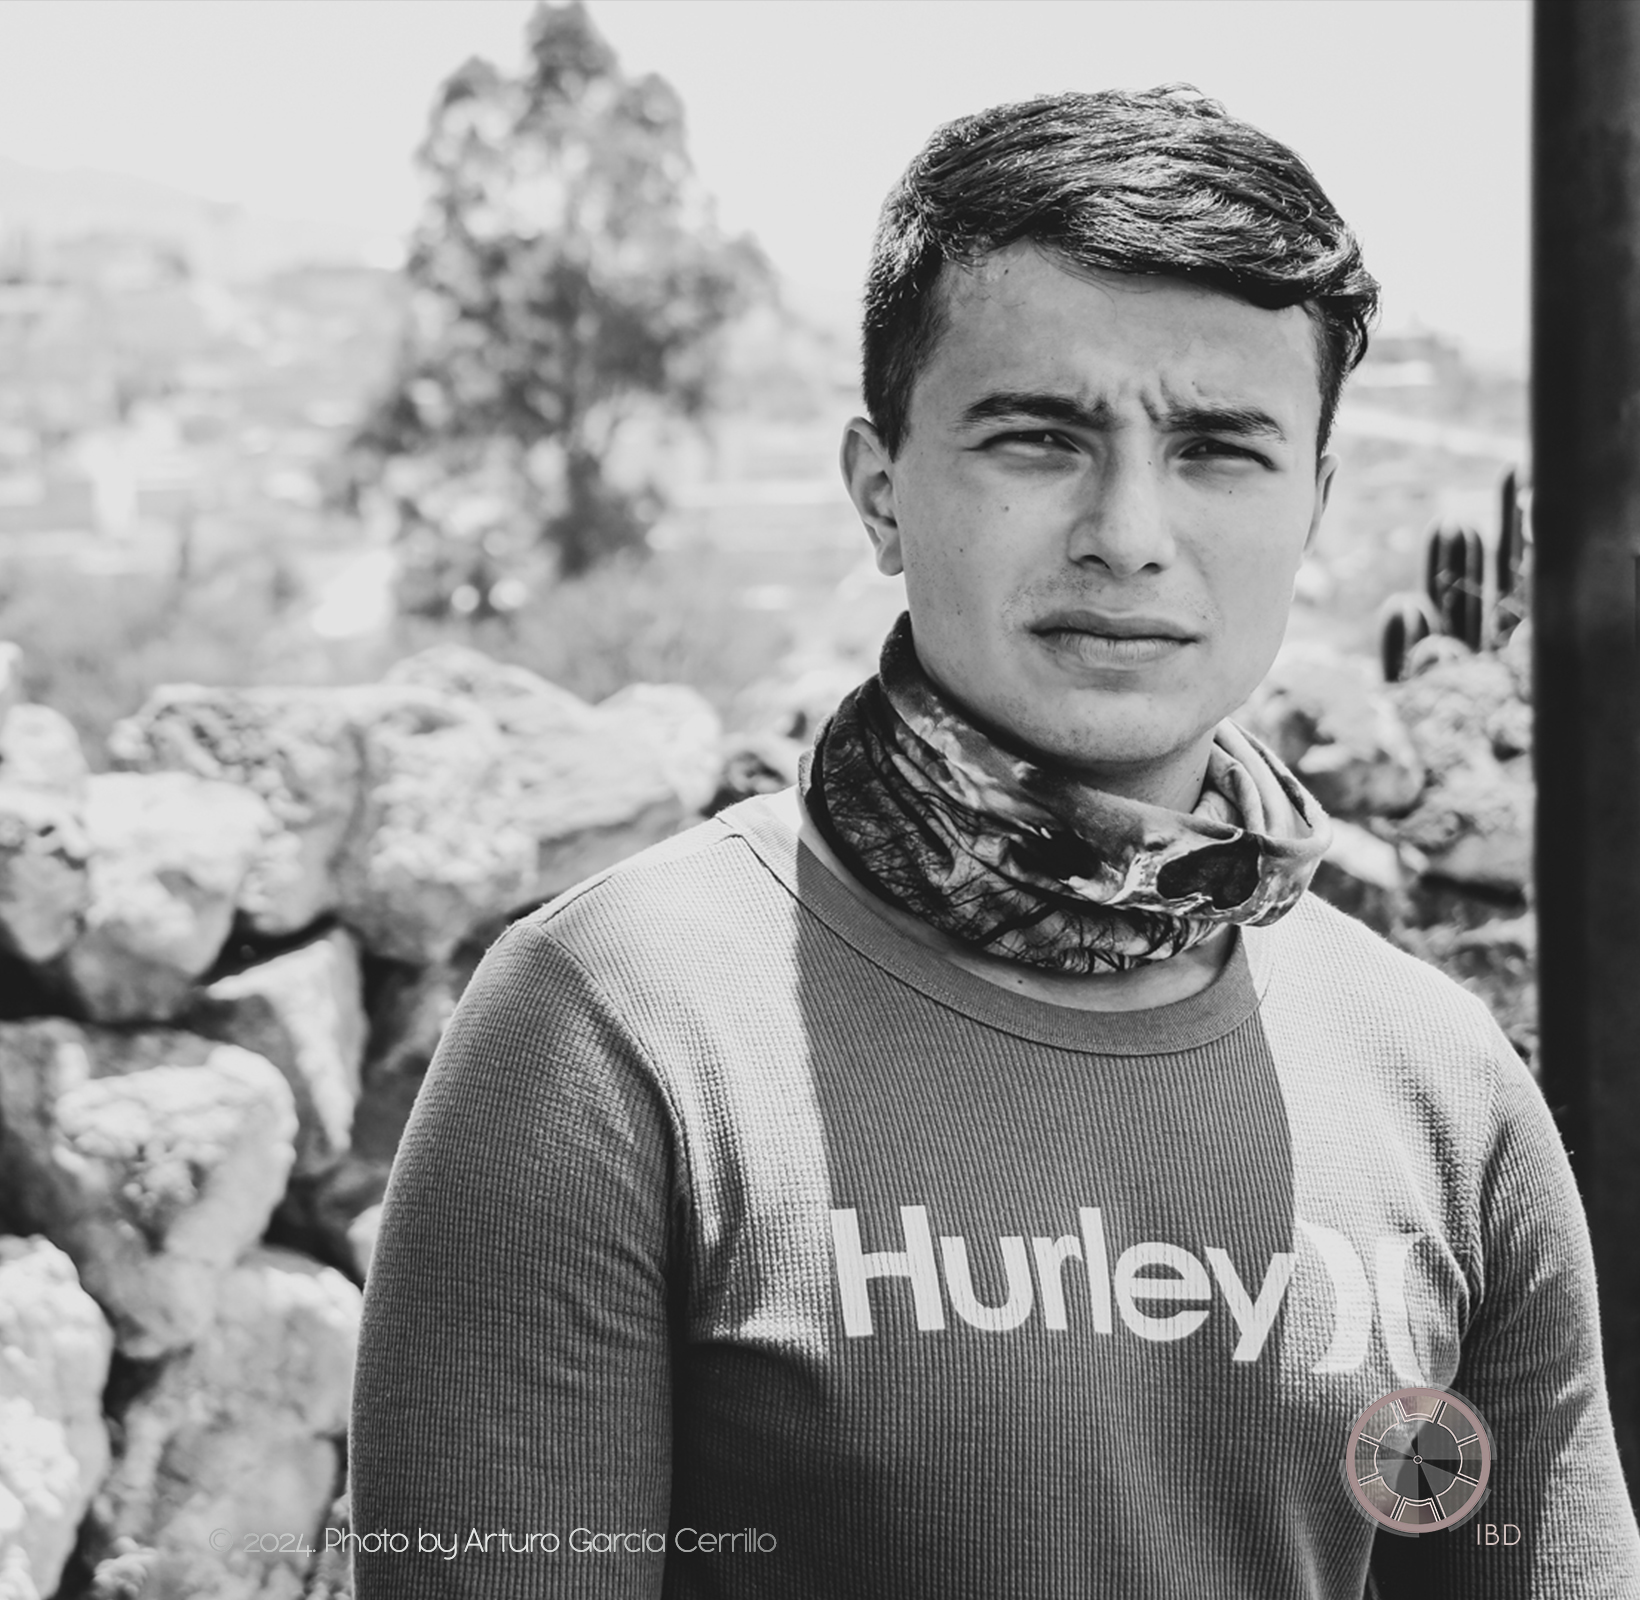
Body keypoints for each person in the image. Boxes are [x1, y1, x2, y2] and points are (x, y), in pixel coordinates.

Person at [346, 85, 1640, 1597]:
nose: (1130, 530)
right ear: (880, 488)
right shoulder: (615, 1028)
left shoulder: (1442, 1088)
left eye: (1221, 449)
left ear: (1314, 507)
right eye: (1039, 438)